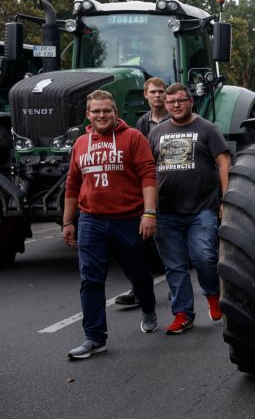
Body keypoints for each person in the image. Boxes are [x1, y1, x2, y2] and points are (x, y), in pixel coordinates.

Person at [63, 90, 159, 360]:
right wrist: (68, 221)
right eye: (96, 111)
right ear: (88, 115)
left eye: (107, 110)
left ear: (115, 113)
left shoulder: (133, 138)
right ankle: (94, 338)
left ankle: (148, 307)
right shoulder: (81, 144)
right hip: (91, 220)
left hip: (128, 219)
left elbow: (148, 176)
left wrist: (149, 213)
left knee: (139, 274)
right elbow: (72, 184)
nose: (102, 115)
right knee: (90, 279)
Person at [149, 83, 230, 334]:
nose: (175, 105)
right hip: (166, 211)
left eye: (180, 101)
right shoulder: (157, 133)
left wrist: (227, 201)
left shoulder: (207, 129)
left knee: (204, 256)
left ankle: (214, 295)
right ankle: (183, 313)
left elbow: (224, 163)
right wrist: (147, 209)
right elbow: (146, 170)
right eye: (171, 102)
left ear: (190, 101)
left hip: (202, 209)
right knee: (174, 266)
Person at [115, 77, 171, 307]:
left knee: (169, 240)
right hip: (149, 185)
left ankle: (176, 286)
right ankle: (138, 290)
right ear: (146, 95)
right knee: (142, 241)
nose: (157, 96)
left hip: (172, 184)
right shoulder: (141, 123)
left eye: (161, 92)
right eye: (153, 92)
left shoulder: (175, 117)